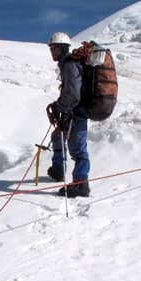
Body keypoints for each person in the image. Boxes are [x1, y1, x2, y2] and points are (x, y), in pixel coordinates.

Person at [46, 31, 91, 197]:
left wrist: (60, 107)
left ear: (63, 48)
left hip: (77, 112)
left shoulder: (70, 64)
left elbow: (73, 94)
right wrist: (59, 106)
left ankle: (81, 184)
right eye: (51, 48)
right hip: (72, 111)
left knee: (78, 149)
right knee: (57, 136)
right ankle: (58, 170)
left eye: (54, 48)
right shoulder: (67, 63)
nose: (52, 52)